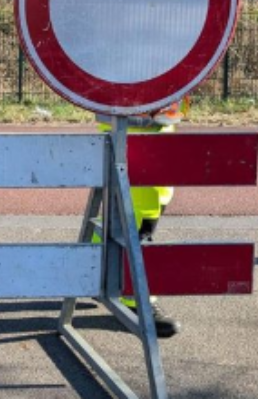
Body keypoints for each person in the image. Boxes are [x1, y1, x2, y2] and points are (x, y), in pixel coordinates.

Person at [94, 100, 186, 338]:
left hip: (157, 121)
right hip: (131, 122)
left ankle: (95, 269)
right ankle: (134, 297)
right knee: (141, 214)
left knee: (157, 197)